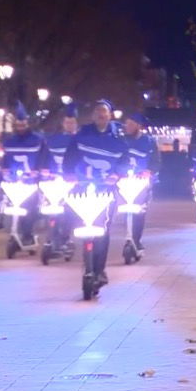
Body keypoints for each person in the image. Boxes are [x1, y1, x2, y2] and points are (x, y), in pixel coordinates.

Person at [63, 99, 130, 286]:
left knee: (102, 229)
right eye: (98, 112)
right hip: (83, 189)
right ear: (93, 116)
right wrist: (69, 174)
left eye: (104, 113)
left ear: (110, 116)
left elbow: (125, 161)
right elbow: (70, 157)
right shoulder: (81, 135)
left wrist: (117, 174)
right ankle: (87, 264)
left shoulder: (118, 139)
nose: (101, 116)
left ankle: (99, 270)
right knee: (84, 226)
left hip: (105, 191)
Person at [1, 102, 48, 245]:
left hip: (31, 181)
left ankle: (27, 233)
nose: (20, 128)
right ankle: (18, 232)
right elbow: (6, 158)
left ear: (27, 124)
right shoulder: (10, 141)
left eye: (23, 125)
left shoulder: (38, 139)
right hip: (15, 181)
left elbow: (44, 157)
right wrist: (4, 169)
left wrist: (39, 170)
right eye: (18, 125)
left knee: (30, 209)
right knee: (15, 207)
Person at [122, 113, 160, 251]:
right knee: (126, 211)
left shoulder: (149, 141)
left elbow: (156, 161)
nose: (127, 127)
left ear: (138, 125)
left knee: (139, 212)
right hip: (124, 183)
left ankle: (136, 240)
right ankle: (128, 236)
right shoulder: (122, 141)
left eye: (131, 124)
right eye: (126, 124)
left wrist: (149, 171)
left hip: (141, 183)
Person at [44, 103, 79, 247]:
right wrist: (45, 170)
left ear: (76, 123)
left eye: (72, 122)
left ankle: (65, 235)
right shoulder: (53, 140)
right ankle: (53, 235)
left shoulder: (80, 140)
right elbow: (46, 157)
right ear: (63, 123)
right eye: (67, 122)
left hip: (73, 181)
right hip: (55, 180)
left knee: (69, 211)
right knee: (52, 208)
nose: (69, 125)